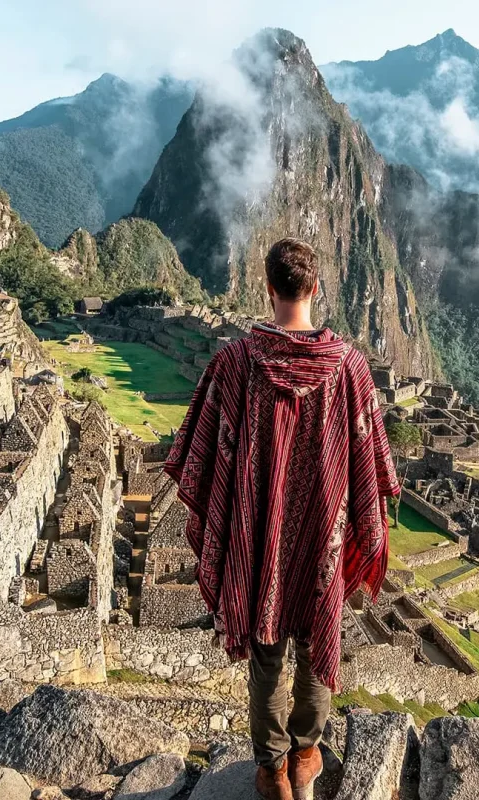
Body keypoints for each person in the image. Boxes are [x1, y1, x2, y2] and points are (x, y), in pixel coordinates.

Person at [165, 238, 399, 800]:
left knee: (266, 653)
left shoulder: (235, 363)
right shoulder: (350, 369)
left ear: (267, 288)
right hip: (323, 534)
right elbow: (371, 466)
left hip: (257, 539)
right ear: (315, 289)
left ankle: (271, 770)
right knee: (321, 643)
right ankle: (305, 754)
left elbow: (200, 457)